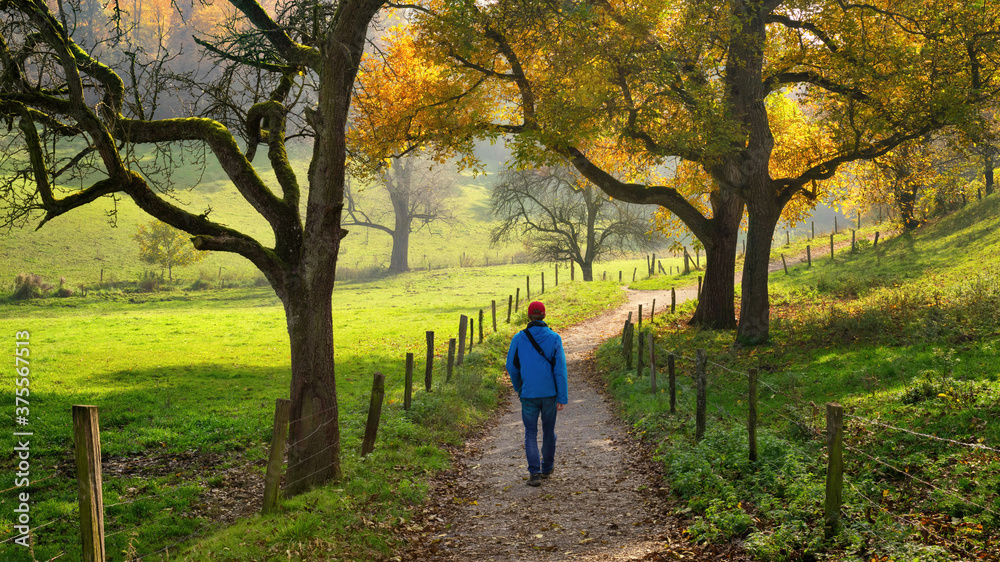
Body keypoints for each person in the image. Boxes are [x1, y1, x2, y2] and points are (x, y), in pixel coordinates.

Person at [505, 301, 568, 487]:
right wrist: (562, 396)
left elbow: (511, 366)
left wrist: (518, 387)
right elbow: (560, 370)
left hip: (529, 394)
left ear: (528, 316)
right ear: (544, 315)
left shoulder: (518, 338)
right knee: (549, 431)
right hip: (549, 394)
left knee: (530, 433)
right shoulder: (555, 338)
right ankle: (547, 467)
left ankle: (535, 473)